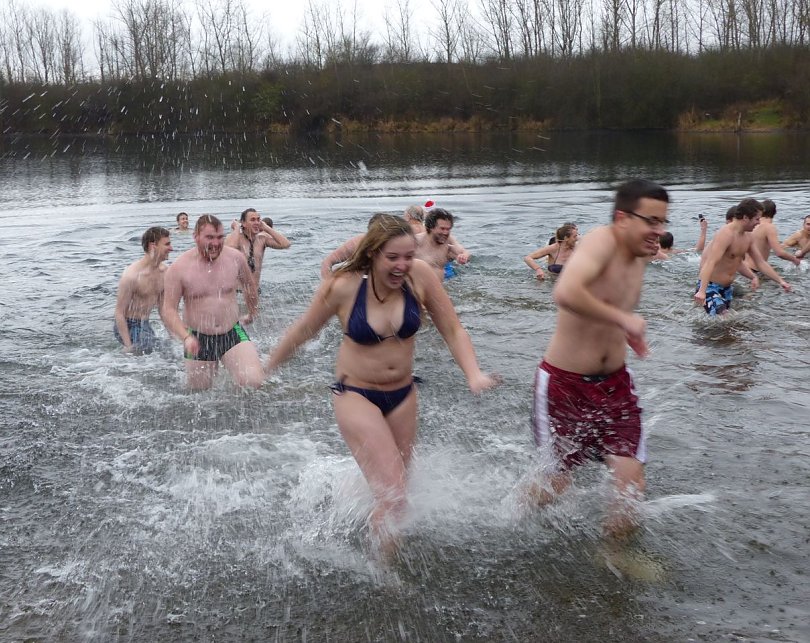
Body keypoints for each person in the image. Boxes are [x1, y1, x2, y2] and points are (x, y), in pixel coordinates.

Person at [266, 214, 498, 551]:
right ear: (373, 253)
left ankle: (370, 521)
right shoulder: (343, 286)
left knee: (400, 488)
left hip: (403, 395)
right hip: (355, 394)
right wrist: (268, 367)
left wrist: (473, 373)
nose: (402, 265)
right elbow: (303, 330)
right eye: (392, 257)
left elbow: (452, 329)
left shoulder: (420, 275)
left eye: (408, 256)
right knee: (394, 498)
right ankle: (383, 571)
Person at [528, 179, 668, 543]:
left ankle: (613, 556)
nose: (659, 231)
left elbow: (608, 304)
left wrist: (625, 331)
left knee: (631, 483)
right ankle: (507, 519)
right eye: (651, 221)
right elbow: (566, 292)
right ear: (623, 218)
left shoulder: (640, 253)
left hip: (615, 384)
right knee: (556, 483)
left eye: (663, 221)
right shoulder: (600, 241)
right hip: (565, 385)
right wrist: (623, 319)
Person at [161, 215, 263, 390]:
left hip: (232, 332)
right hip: (197, 339)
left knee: (254, 383)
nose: (216, 243)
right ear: (196, 237)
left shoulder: (235, 258)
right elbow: (169, 310)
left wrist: (252, 313)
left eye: (219, 237)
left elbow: (249, 287)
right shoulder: (178, 268)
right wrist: (185, 337)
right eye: (209, 237)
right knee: (198, 394)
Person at [694, 198, 791, 315]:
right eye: (757, 219)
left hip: (727, 288)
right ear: (745, 217)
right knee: (725, 317)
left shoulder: (748, 237)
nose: (759, 223)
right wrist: (702, 291)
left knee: (730, 322)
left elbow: (760, 262)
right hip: (710, 287)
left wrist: (780, 281)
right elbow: (710, 262)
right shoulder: (726, 234)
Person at [113, 226, 173, 354]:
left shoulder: (165, 273)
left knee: (169, 349)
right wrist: (128, 346)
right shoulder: (131, 276)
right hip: (127, 324)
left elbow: (163, 310)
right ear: (153, 246)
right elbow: (119, 313)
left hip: (144, 324)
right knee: (160, 352)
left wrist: (173, 336)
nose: (171, 248)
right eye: (167, 244)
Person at [225, 208, 291, 289]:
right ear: (244, 223)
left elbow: (286, 244)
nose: (256, 222)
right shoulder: (236, 239)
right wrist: (236, 228)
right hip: (237, 291)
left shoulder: (262, 239)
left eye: (258, 219)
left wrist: (266, 228)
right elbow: (228, 249)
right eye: (252, 220)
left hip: (255, 291)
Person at [415, 208, 470, 281]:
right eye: (442, 229)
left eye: (448, 229)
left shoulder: (448, 240)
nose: (445, 233)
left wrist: (463, 257)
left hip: (443, 283)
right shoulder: (415, 241)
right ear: (430, 227)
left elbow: (464, 251)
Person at [746, 200, 801, 272]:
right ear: (775, 212)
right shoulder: (769, 227)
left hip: (743, 268)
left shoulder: (751, 224)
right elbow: (779, 253)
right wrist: (795, 260)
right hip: (754, 270)